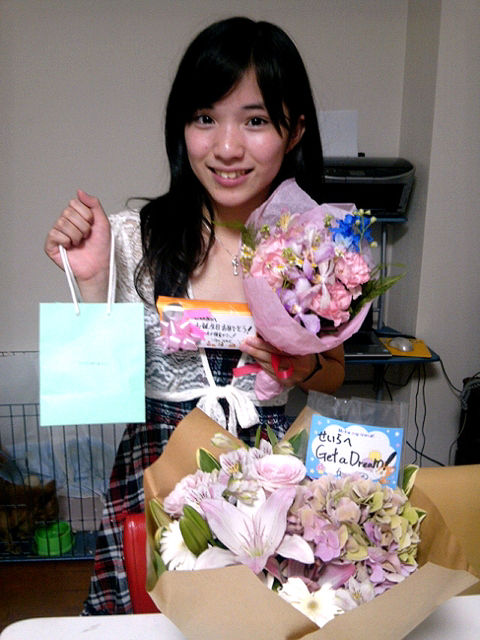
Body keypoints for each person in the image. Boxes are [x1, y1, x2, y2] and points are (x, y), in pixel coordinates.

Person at [44, 17, 345, 615]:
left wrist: (296, 364)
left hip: (268, 485)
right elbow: (98, 396)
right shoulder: (135, 237)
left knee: (257, 624)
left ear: (295, 130)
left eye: (255, 120)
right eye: (205, 118)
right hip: (154, 473)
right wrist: (94, 281)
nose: (226, 147)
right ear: (181, 126)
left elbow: (333, 373)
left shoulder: (312, 246)